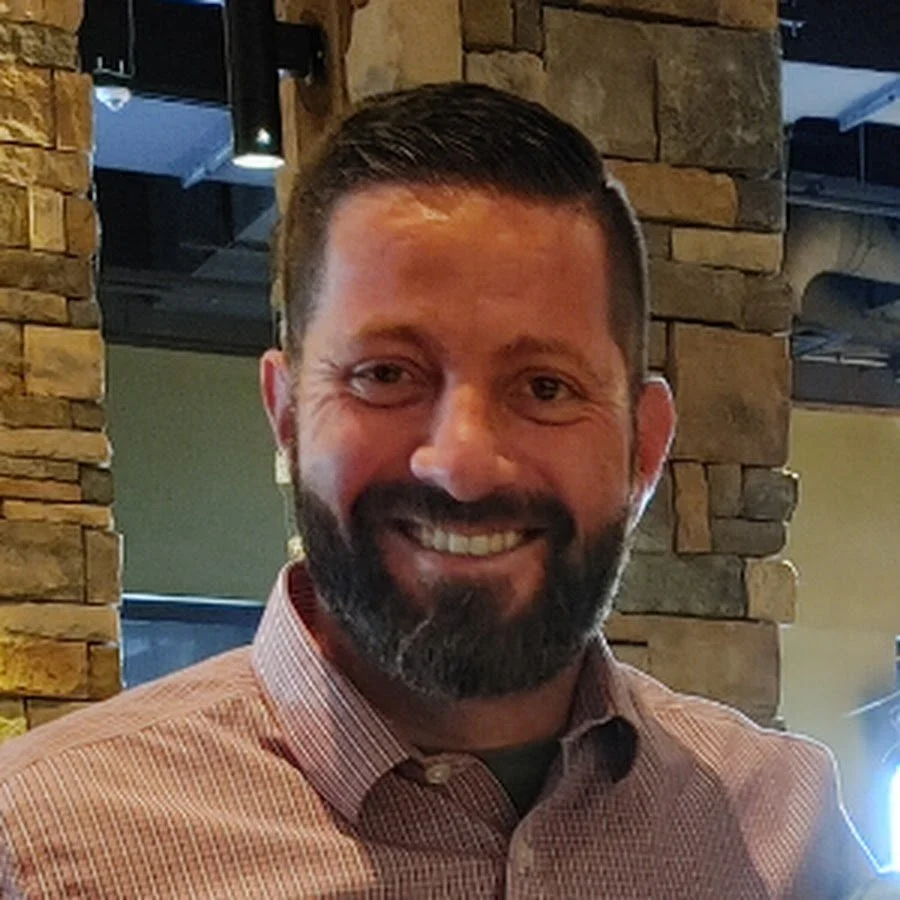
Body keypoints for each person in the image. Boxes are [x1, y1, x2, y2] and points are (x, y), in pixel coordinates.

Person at [0, 83, 880, 898]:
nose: (461, 463)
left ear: (643, 446)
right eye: (386, 374)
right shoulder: (42, 845)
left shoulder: (784, 830)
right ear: (288, 415)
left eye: (545, 387)